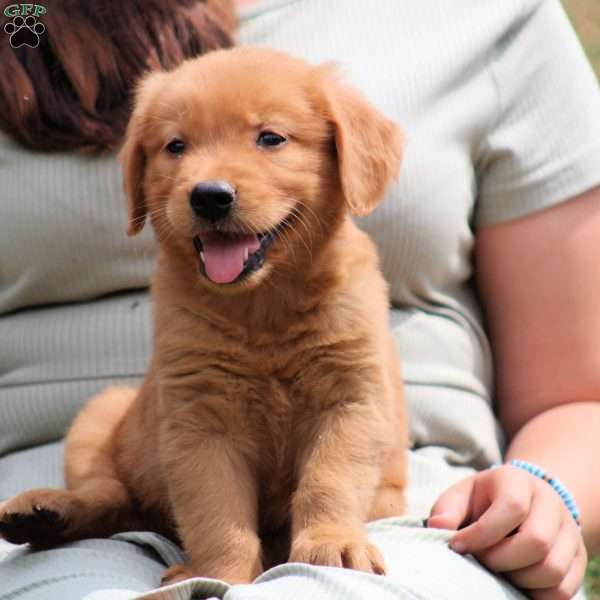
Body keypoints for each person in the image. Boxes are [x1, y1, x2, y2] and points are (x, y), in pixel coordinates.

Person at [1, 0, 600, 599]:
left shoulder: (493, 19)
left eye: (270, 139)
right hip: (81, 517)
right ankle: (100, 507)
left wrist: (547, 491)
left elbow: (573, 397)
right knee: (110, 422)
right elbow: (200, 427)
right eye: (175, 147)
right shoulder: (20, 17)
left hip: (395, 513)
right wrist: (223, 561)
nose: (210, 180)